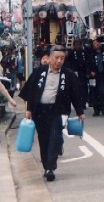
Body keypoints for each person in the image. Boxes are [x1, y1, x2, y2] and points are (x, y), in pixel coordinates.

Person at [18, 46, 85, 181]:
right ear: (49, 58)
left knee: (55, 136)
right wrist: (29, 110)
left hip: (58, 111)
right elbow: (31, 93)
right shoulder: (39, 72)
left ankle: (50, 167)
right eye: (56, 58)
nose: (59, 61)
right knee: (44, 139)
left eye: (62, 58)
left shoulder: (68, 74)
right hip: (40, 111)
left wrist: (80, 112)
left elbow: (75, 94)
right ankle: (46, 165)